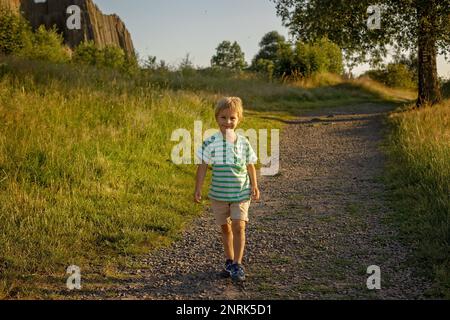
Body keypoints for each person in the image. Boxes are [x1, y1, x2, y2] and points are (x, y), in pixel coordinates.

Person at [194, 96, 260, 282]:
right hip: (219, 194)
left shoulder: (243, 142)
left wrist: (255, 185)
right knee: (225, 229)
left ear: (239, 119)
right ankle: (229, 261)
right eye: (223, 118)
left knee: (239, 226)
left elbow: (250, 165)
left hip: (240, 192)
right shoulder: (210, 142)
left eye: (232, 118)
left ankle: (238, 264)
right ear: (217, 118)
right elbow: (202, 166)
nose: (228, 122)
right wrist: (198, 188)